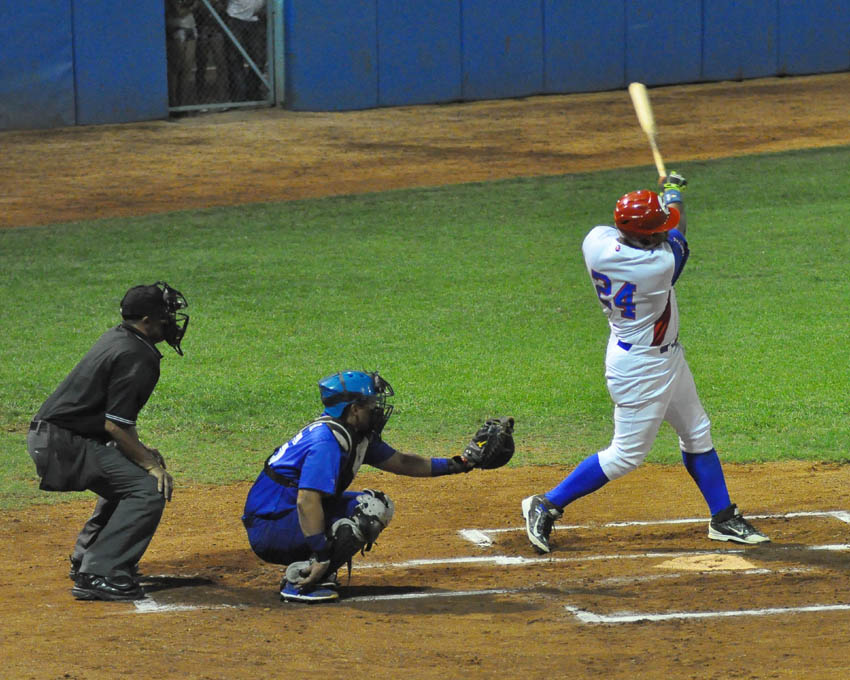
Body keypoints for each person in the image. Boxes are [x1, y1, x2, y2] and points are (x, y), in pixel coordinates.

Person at [522, 173, 769, 554]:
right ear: (644, 237)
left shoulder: (595, 240)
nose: (660, 234)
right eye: (654, 231)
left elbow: (657, 227)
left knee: (697, 431)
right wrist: (673, 192)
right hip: (641, 369)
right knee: (625, 455)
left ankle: (723, 518)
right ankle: (547, 503)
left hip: (661, 356)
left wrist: (658, 204)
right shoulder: (656, 267)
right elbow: (679, 229)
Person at [242, 370, 501, 603]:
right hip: (271, 525)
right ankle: (302, 580)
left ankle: (317, 566)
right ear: (354, 409)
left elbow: (402, 462)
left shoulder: (352, 434)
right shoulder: (326, 443)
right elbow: (306, 501)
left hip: (284, 516)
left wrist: (460, 463)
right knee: (369, 510)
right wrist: (322, 555)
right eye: (371, 405)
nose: (377, 410)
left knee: (380, 505)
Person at [26, 282, 189, 601]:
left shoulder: (120, 337)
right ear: (146, 320)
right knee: (147, 490)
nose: (169, 322)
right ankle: (99, 573)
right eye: (164, 316)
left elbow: (116, 420)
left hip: (56, 437)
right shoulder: (138, 355)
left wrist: (142, 455)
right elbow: (115, 426)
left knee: (137, 471)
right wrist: (150, 464)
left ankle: (86, 558)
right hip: (64, 444)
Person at [224, 0, 267, 101]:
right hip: (235, 18)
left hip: (255, 19)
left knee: (259, 59)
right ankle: (239, 96)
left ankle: (252, 91)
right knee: (235, 59)